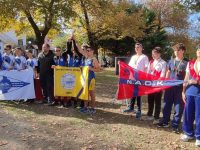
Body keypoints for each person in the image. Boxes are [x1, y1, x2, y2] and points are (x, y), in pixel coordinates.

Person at [158, 43, 188, 133]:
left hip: (179, 88)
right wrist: (165, 83)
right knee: (166, 105)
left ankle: (175, 125)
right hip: (169, 87)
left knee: (178, 107)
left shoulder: (186, 63)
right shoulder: (171, 61)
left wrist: (184, 89)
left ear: (183, 51)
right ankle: (165, 121)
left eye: (178, 50)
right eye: (175, 50)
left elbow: (187, 76)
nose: (176, 52)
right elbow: (168, 71)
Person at [123, 43, 149, 119]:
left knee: (138, 94)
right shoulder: (133, 57)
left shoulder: (144, 57)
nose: (136, 48)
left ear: (141, 48)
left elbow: (146, 68)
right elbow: (129, 67)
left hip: (140, 78)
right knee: (132, 93)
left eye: (138, 47)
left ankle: (139, 110)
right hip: (132, 77)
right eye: (135, 47)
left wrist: (145, 77)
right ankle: (131, 108)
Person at [180, 48, 200, 146]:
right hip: (190, 91)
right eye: (198, 49)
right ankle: (188, 133)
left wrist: (197, 81)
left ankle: (198, 137)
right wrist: (183, 91)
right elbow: (186, 77)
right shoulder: (190, 63)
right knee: (187, 113)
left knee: (199, 115)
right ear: (196, 52)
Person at [144, 47, 167, 124]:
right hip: (150, 84)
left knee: (157, 101)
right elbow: (147, 73)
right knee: (150, 100)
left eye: (155, 53)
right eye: (153, 53)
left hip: (158, 85)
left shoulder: (163, 62)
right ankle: (149, 115)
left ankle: (156, 117)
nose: (153, 54)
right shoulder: (151, 62)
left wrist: (158, 82)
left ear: (159, 53)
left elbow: (163, 74)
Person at [77, 44, 101, 114]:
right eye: (86, 50)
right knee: (85, 93)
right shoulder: (86, 58)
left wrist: (91, 68)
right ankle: (85, 107)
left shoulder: (94, 59)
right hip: (85, 78)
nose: (87, 52)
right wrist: (75, 40)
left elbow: (98, 70)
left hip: (91, 78)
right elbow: (80, 50)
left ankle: (93, 108)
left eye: (88, 50)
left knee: (91, 94)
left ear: (92, 51)